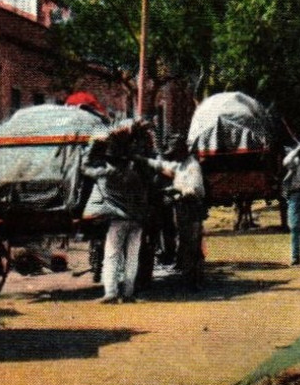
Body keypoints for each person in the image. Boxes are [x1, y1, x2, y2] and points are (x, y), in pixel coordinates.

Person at [82, 123, 159, 303]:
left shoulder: (106, 174)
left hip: (117, 221)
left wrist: (96, 144)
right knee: (132, 256)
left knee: (112, 255)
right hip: (137, 220)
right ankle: (128, 293)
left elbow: (85, 166)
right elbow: (151, 176)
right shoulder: (136, 175)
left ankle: (111, 292)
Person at [160, 141, 207, 289]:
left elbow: (194, 189)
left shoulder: (192, 166)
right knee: (185, 242)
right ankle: (189, 277)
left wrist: (175, 194)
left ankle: (195, 280)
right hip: (182, 208)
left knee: (192, 243)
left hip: (192, 207)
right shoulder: (181, 165)